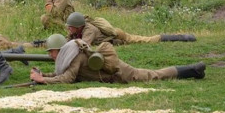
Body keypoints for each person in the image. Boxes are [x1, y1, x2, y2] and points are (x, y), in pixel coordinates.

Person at [29, 34, 206, 84]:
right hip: (113, 72)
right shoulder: (70, 55)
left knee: (154, 75)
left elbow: (67, 78)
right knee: (153, 74)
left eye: (51, 52)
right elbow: (65, 73)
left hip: (120, 73)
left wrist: (42, 79)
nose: (50, 55)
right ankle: (193, 69)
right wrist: (43, 74)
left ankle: (193, 70)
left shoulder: (74, 57)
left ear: (59, 50)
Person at [65, 12, 196, 45]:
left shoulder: (89, 30)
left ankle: (178, 37)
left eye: (71, 27)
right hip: (112, 39)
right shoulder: (76, 29)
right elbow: (68, 40)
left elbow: (84, 45)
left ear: (79, 26)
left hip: (118, 35)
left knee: (145, 40)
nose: (69, 29)